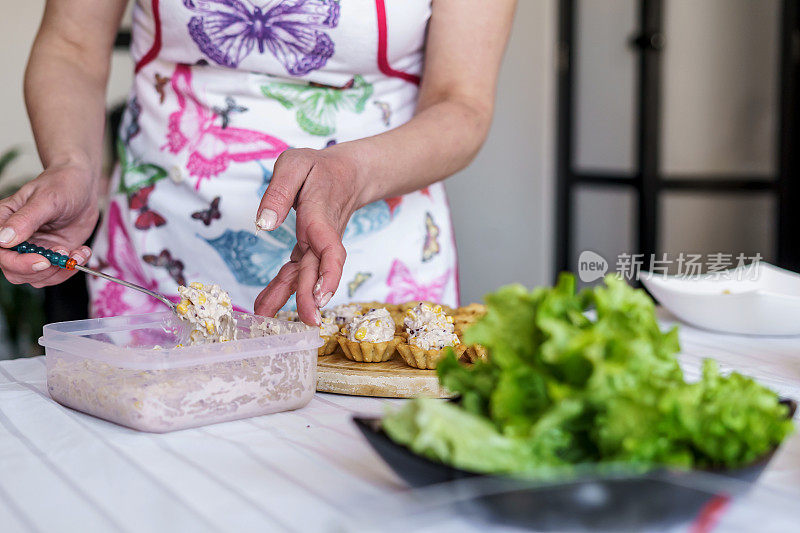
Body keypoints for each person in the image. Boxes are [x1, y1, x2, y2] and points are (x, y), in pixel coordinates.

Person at [0, 0, 515, 326]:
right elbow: (72, 45)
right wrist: (75, 166)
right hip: (161, 249)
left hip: (375, 264)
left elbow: (461, 102)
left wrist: (352, 174)